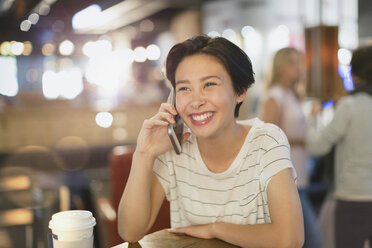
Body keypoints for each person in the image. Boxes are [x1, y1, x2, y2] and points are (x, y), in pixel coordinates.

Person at [118, 35, 304, 248]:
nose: (196, 101)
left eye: (209, 84)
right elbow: (129, 231)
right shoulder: (174, 148)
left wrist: (214, 229)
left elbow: (290, 239)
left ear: (240, 91)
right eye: (184, 88)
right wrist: (144, 153)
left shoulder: (266, 141)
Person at [306, 45, 372, 248]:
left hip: (352, 194)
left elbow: (316, 146)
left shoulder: (349, 106)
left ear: (354, 72)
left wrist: (312, 117)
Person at [258, 47, 323, 248]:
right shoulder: (275, 95)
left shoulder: (291, 95)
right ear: (281, 66)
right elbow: (270, 135)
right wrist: (303, 141)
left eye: (299, 62)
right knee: (311, 239)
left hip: (299, 174)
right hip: (286, 176)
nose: (298, 68)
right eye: (293, 63)